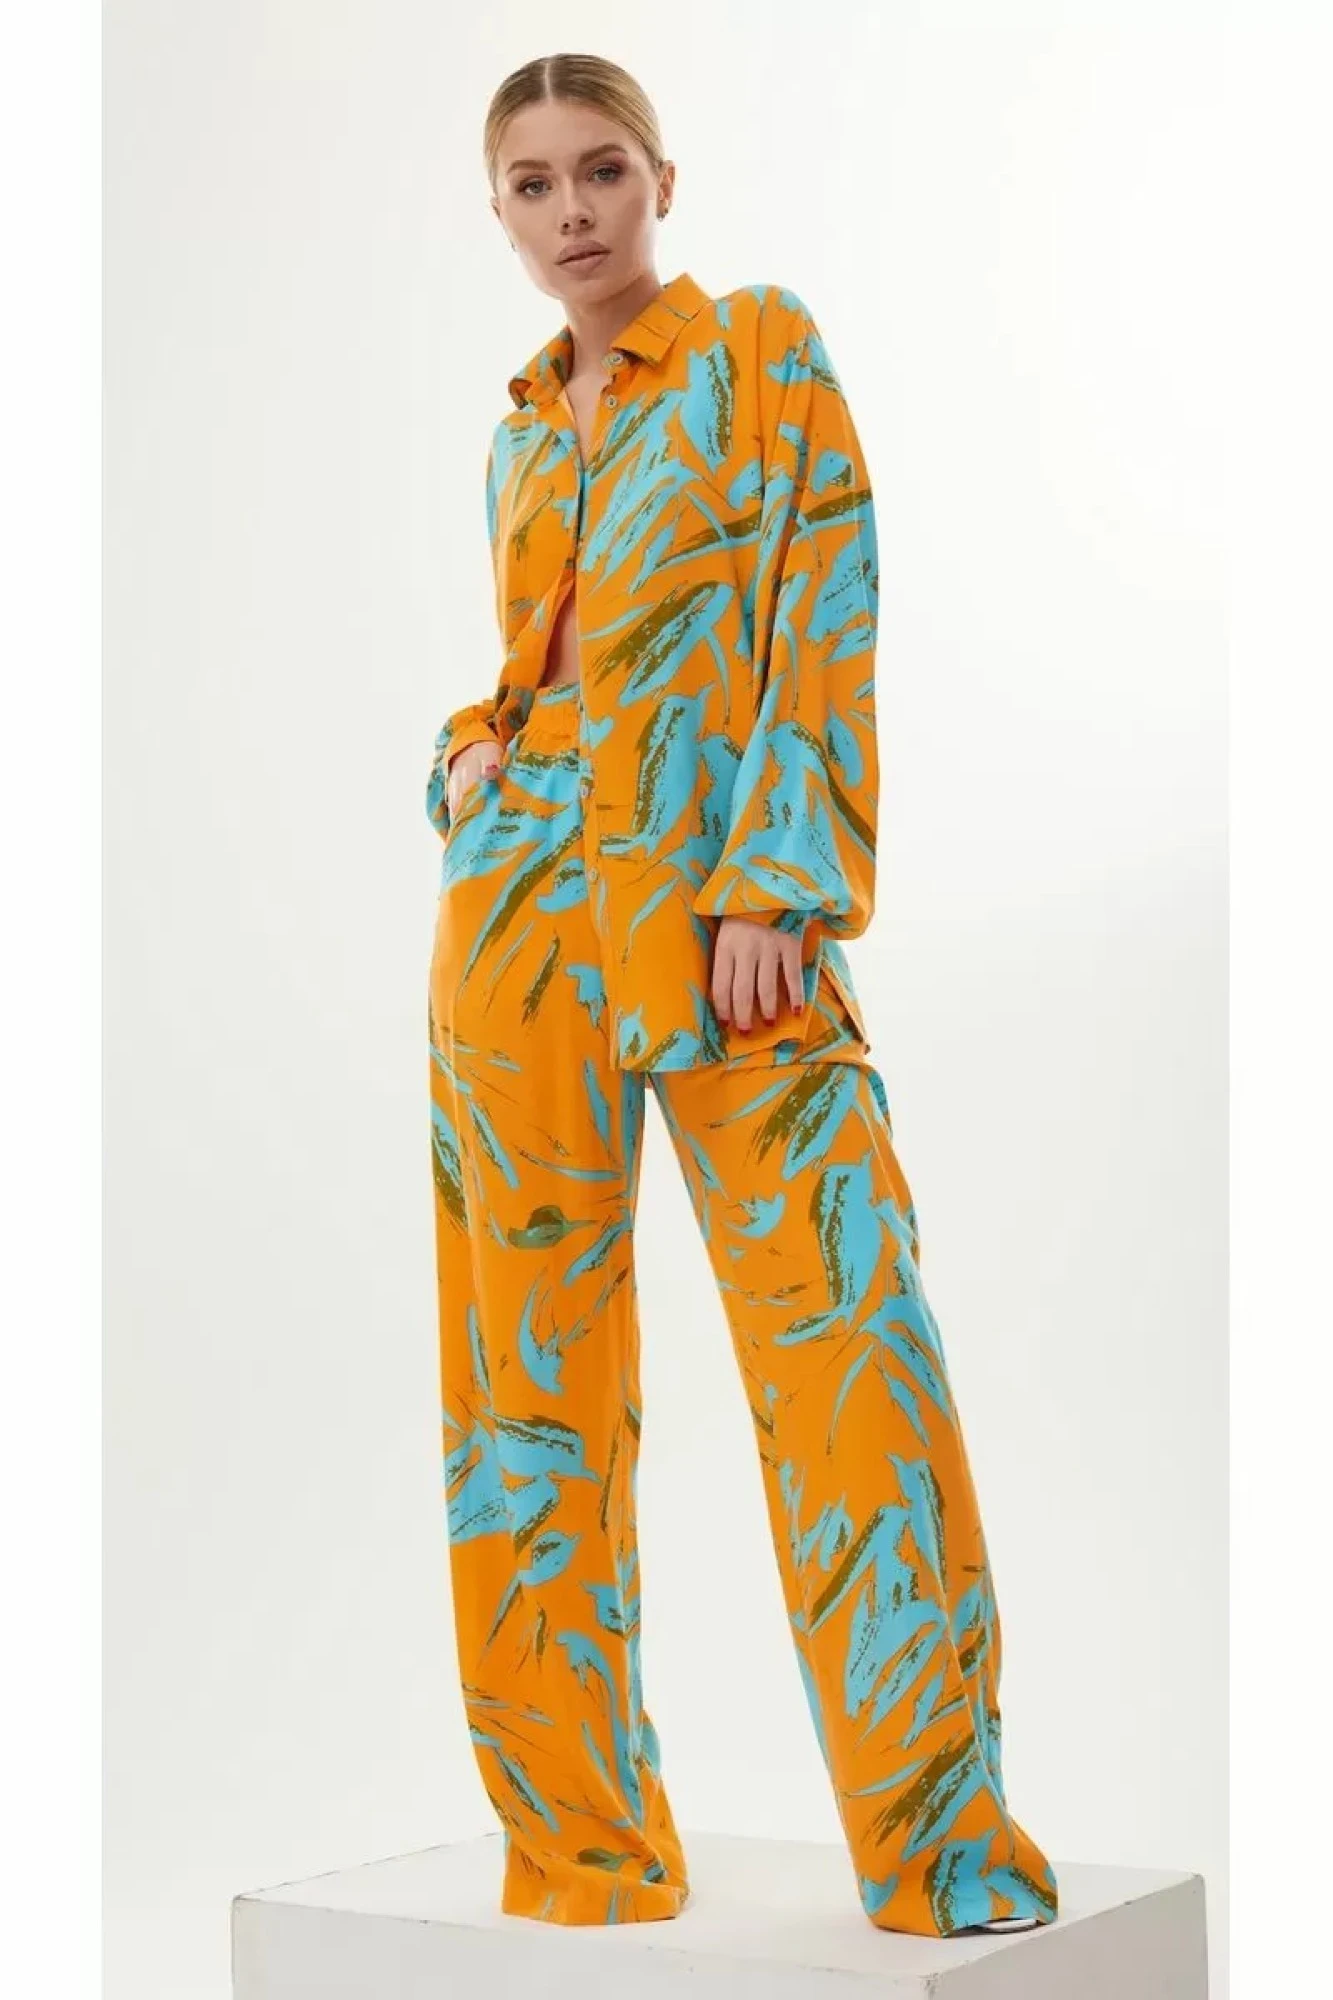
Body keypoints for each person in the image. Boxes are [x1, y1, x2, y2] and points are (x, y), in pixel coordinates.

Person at [425, 50, 1059, 1940]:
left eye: (602, 171)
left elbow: (822, 592)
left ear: (663, 179)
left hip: (724, 922)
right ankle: (582, 1858)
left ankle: (942, 1845)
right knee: (522, 1394)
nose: (573, 214)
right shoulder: (519, 433)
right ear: (498, 212)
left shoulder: (762, 351)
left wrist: (780, 869)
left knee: (849, 1356)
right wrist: (470, 756)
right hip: (519, 917)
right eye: (533, 185)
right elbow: (541, 669)